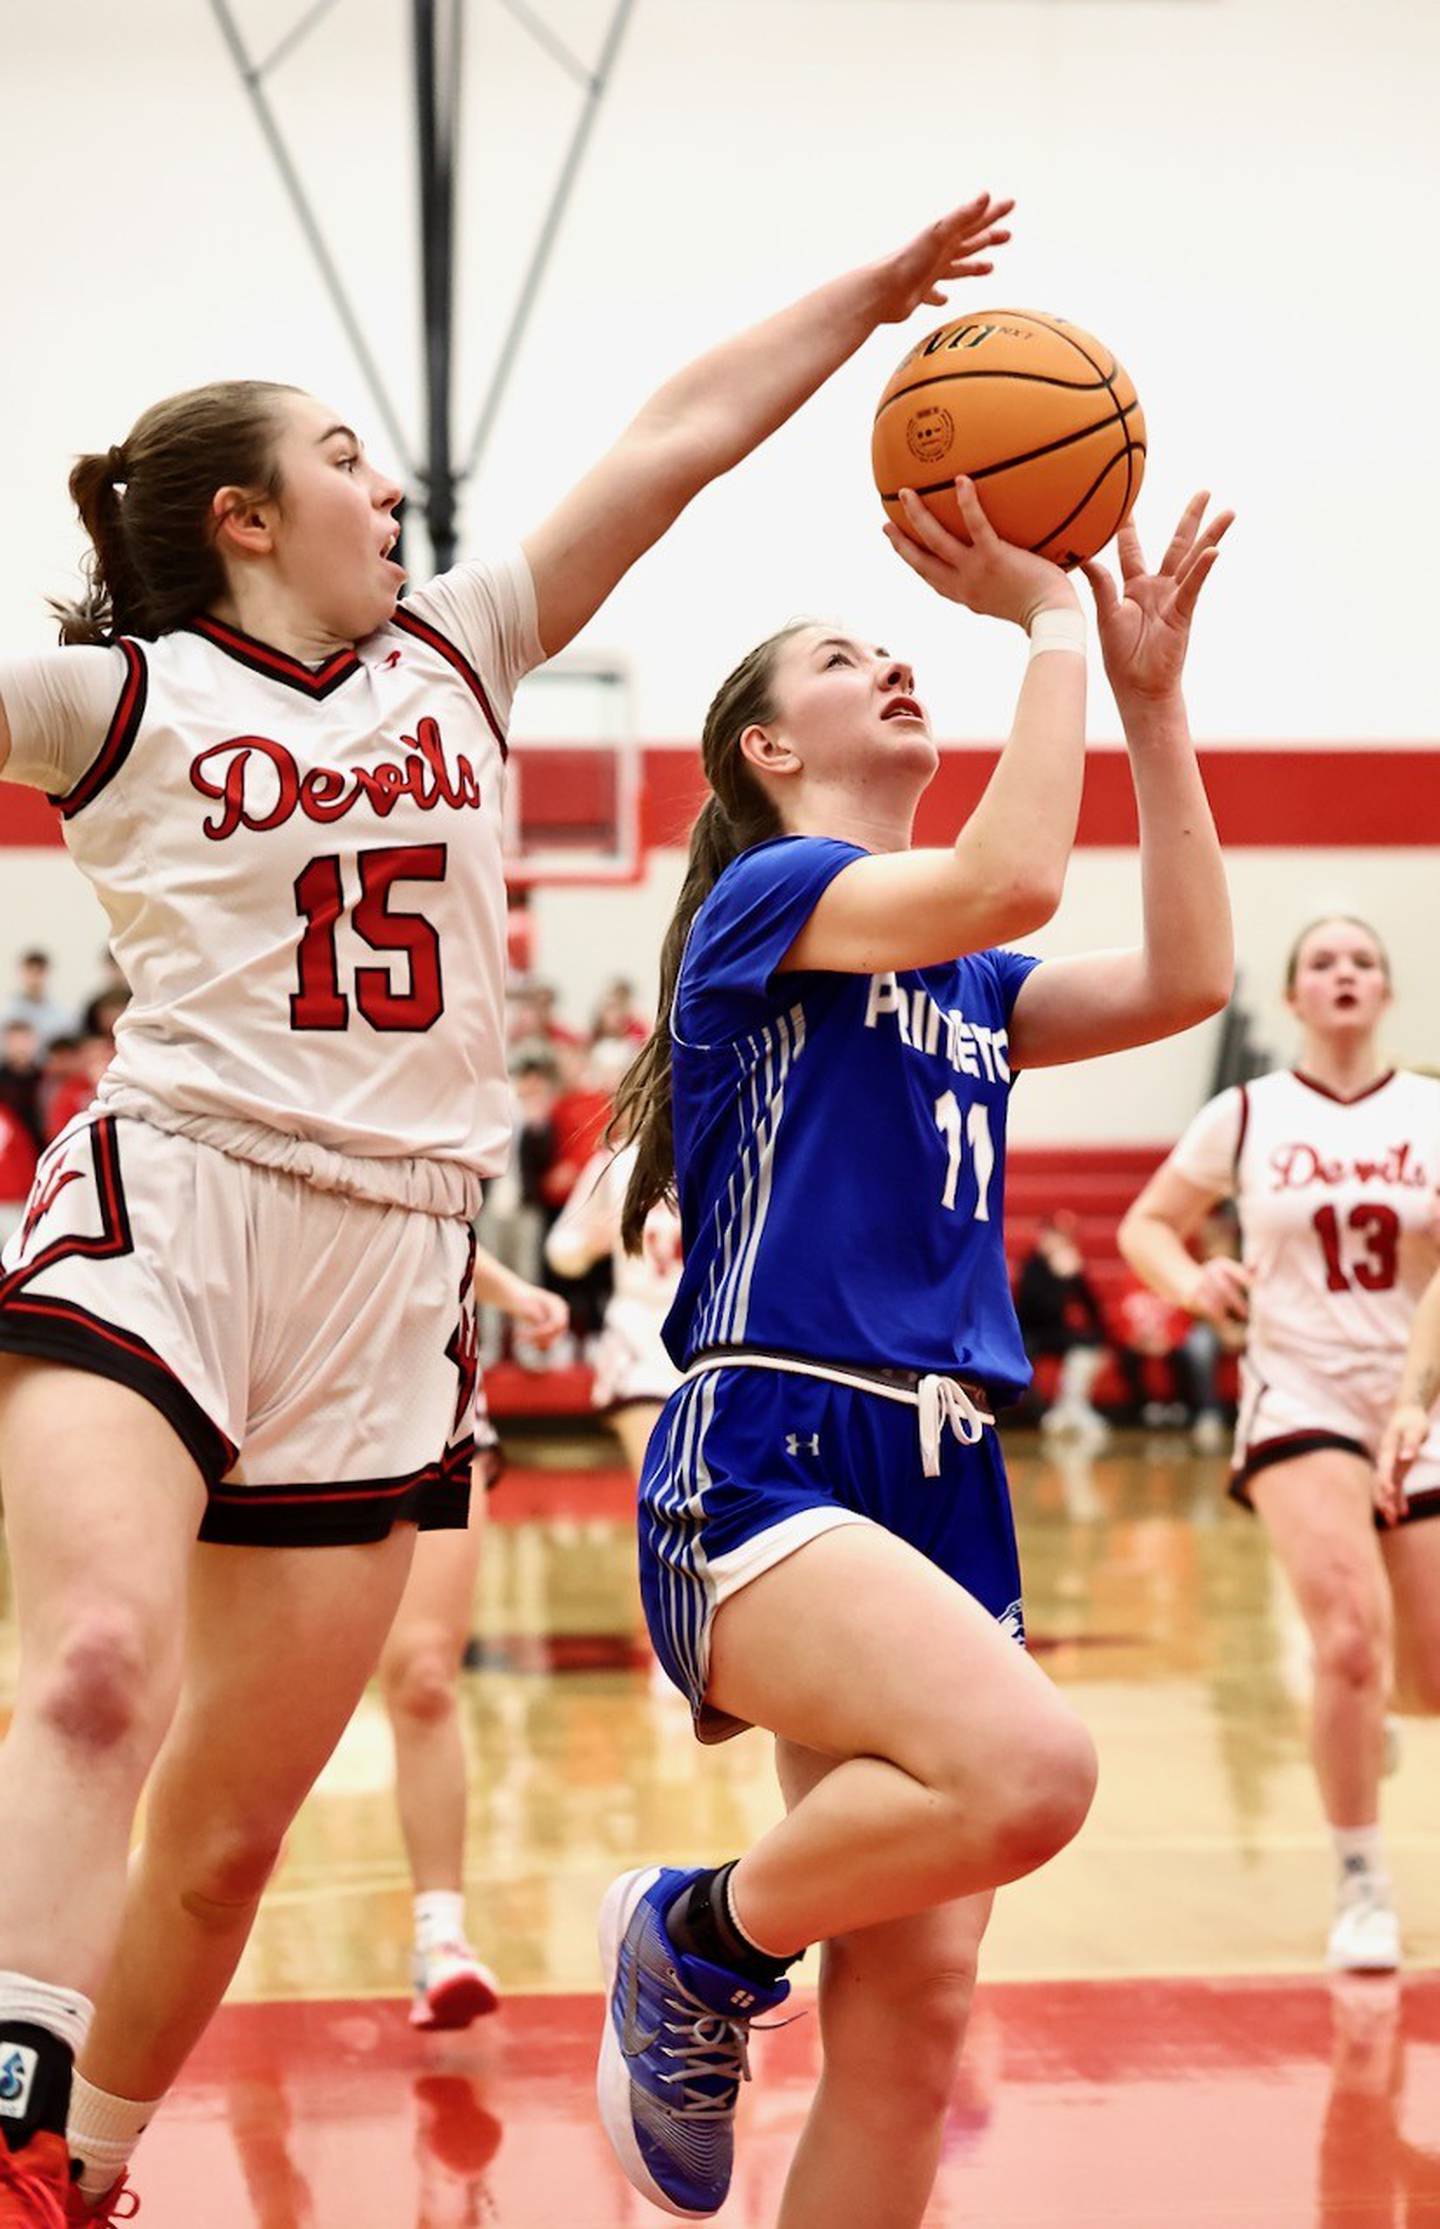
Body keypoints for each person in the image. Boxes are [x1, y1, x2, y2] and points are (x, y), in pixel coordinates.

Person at [0, 187, 1016, 2224]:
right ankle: (10, 2105)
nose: (391, 486)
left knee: (227, 1834)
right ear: (243, 519)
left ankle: (80, 2175)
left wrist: (876, 291)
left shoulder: (461, 646)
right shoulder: (102, 707)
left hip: (392, 1269)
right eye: (348, 459)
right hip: (175, 1195)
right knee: (102, 1659)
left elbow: (679, 430)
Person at [596, 479, 1232, 2224]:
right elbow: (1014, 863)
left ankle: (713, 1941)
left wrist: (1150, 693)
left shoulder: (973, 983)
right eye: (842, 654)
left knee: (917, 2011)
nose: (886, 661)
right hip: (774, 1439)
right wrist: (1043, 621)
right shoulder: (774, 902)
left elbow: (1189, 970)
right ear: (761, 749)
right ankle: (694, 1930)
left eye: (889, 646)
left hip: (949, 1469)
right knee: (1033, 1773)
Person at [1119, 916, 1440, 1975]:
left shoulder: (1432, 1113)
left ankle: (1373, 1708)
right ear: (1296, 998)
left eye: (1362, 960)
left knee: (1423, 1678)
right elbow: (1146, 1228)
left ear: (1385, 992)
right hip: (1296, 1388)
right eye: (1321, 963)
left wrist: (1413, 1396)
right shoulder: (1246, 1113)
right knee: (1346, 1637)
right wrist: (1193, 1282)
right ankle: (1361, 1881)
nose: (1343, 974)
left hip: (1418, 1395)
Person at [380, 1244, 568, 2033]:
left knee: (425, 1676)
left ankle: (440, 1939)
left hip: (431, 1393)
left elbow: (430, 1218)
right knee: (255, 1714)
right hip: (289, 1390)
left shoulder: (439, 1130)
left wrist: (516, 1291)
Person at [544, 1137, 683, 1482]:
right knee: (657, 1482)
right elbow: (560, 1250)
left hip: (706, 1334)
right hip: (637, 1328)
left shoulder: (729, 1149)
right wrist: (591, 1243)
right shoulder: (617, 1160)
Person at [1012, 1210, 1110, 1441]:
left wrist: (1075, 1276)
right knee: (1021, 1359)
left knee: (1090, 1345)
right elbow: (1033, 1308)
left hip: (1057, 1332)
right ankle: (1042, 1418)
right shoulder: (1032, 1264)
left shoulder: (1071, 1265)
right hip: (1030, 1332)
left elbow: (1091, 1307)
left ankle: (1072, 1407)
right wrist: (1060, 1280)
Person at [0, 954, 75, 1052]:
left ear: (47, 974)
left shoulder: (61, 1014)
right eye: (31, 972)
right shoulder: (7, 1013)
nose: (34, 979)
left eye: (39, 972)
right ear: (22, 973)